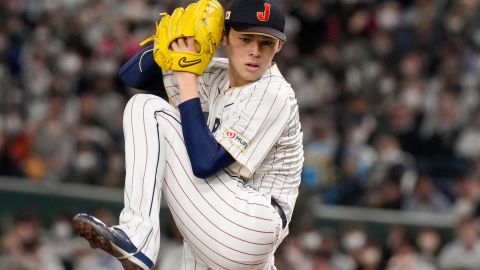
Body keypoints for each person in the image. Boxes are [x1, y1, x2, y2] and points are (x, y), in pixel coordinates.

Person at [73, 0, 304, 269]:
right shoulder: (218, 74)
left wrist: (186, 77)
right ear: (224, 36)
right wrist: (173, 44)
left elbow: (205, 163)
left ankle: (138, 236)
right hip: (219, 220)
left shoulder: (272, 92)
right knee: (144, 102)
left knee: (148, 108)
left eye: (266, 42)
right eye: (246, 38)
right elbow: (131, 77)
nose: (254, 50)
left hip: (250, 223)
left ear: (279, 47)